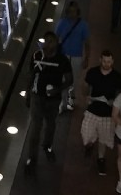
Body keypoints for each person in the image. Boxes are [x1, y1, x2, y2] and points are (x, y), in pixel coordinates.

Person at [25, 31, 72, 173]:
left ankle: (47, 145)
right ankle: (32, 159)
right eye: (46, 41)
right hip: (37, 97)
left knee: (50, 125)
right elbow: (31, 75)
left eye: (51, 41)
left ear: (56, 43)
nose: (47, 44)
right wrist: (28, 94)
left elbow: (70, 80)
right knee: (35, 128)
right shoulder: (36, 56)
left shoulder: (63, 61)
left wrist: (57, 90)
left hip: (53, 100)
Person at [81, 50, 121, 176]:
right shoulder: (93, 72)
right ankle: (89, 145)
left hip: (107, 113)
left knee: (104, 138)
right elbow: (86, 87)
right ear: (100, 60)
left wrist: (114, 102)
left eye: (109, 61)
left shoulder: (117, 76)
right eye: (104, 61)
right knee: (87, 133)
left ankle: (101, 159)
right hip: (92, 109)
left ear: (112, 62)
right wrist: (87, 97)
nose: (106, 64)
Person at [55, 1, 90, 112]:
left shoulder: (83, 25)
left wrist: (86, 58)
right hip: (64, 56)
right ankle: (62, 102)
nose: (72, 14)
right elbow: (56, 38)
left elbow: (87, 43)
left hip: (76, 57)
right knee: (63, 79)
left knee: (73, 80)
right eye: (70, 12)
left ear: (77, 12)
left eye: (74, 12)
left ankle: (70, 100)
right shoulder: (62, 23)